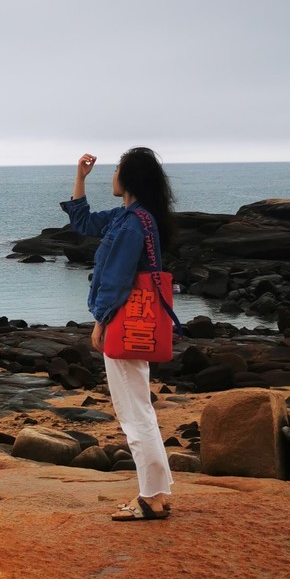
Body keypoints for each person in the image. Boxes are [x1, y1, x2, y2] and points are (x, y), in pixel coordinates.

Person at [59, 147, 178, 522]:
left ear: (129, 179)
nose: (111, 176)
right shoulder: (133, 218)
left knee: (134, 413)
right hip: (135, 322)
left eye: (116, 171)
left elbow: (116, 279)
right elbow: (84, 223)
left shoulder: (131, 224)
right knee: (139, 408)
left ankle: (150, 497)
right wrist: (80, 177)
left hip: (124, 324)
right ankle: (158, 492)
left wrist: (100, 321)